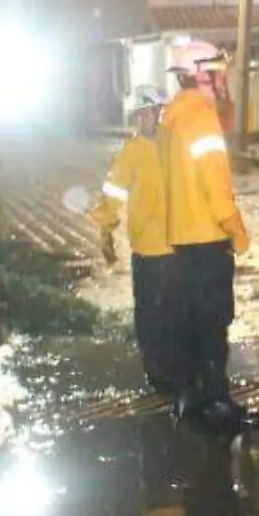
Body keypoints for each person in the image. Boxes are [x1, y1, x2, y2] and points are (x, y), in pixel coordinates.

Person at [158, 68, 259, 428]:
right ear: (201, 85)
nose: (222, 90)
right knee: (214, 322)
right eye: (218, 83)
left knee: (186, 321)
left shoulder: (170, 121)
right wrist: (236, 229)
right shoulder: (202, 119)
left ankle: (189, 396)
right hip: (208, 239)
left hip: (180, 242)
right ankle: (218, 401)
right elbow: (215, 187)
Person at [90, 84, 176, 394]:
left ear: (158, 112)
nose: (144, 119)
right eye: (139, 114)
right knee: (149, 311)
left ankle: (176, 364)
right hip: (147, 248)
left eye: (148, 112)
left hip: (178, 244)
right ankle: (155, 368)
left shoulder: (173, 143)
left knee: (175, 308)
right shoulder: (131, 153)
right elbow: (112, 194)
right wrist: (105, 229)